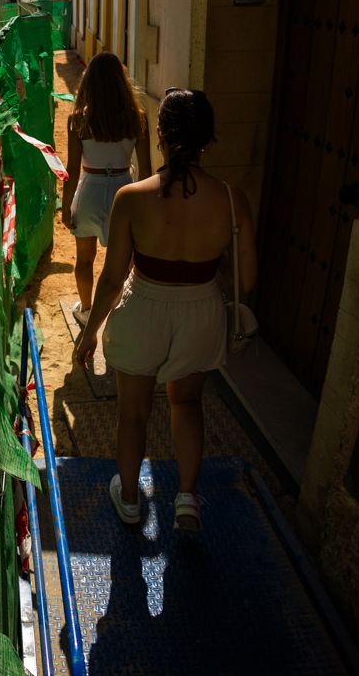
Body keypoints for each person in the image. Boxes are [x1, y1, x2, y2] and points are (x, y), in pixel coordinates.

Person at [72, 87, 257, 532]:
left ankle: (130, 498)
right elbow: (246, 281)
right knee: (187, 403)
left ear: (160, 135)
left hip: (144, 308)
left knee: (133, 412)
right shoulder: (232, 200)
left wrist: (90, 331)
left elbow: (112, 279)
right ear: (208, 139)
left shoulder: (131, 197)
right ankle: (187, 499)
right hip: (201, 311)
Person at [60, 52, 153, 326]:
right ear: (121, 81)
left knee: (84, 259)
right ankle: (116, 312)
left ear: (89, 83)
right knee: (121, 263)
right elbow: (146, 170)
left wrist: (66, 207)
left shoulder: (78, 120)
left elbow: (72, 170)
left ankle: (87, 309)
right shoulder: (138, 119)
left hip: (89, 190)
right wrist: (144, 208)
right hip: (124, 192)